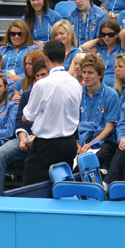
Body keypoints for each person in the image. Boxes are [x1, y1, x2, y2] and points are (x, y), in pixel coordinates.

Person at [22, 40, 83, 184]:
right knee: (61, 189)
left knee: (32, 189)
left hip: (46, 146)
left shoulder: (42, 85)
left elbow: (28, 117)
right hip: (69, 143)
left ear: (45, 58)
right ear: (65, 57)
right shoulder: (76, 83)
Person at [0, 58, 49, 196]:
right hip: (25, 138)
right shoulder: (27, 95)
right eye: (37, 76)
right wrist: (22, 138)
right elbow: (20, 121)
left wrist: (37, 137)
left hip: (46, 139)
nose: (39, 79)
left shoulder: (55, 94)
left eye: (43, 74)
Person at [77, 54, 121, 156]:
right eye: (84, 72)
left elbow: (109, 127)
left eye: (90, 73)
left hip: (103, 140)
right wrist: (76, 143)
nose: (86, 76)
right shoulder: (77, 93)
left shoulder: (111, 95)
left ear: (100, 75)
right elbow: (71, 124)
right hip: (80, 138)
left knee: (98, 155)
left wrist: (90, 144)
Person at [81, 18, 125, 88]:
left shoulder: (123, 49)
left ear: (117, 34)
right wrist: (99, 39)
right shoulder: (100, 49)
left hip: (114, 86)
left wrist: (117, 35)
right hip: (98, 85)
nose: (106, 37)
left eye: (110, 35)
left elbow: (124, 33)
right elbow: (84, 47)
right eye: (103, 34)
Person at [0, 20, 39, 84]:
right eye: (13, 34)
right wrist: (7, 75)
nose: (16, 36)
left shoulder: (34, 49)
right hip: (2, 83)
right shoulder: (1, 50)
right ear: (9, 35)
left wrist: (21, 79)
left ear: (25, 34)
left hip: (25, 84)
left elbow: (37, 70)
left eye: (20, 34)